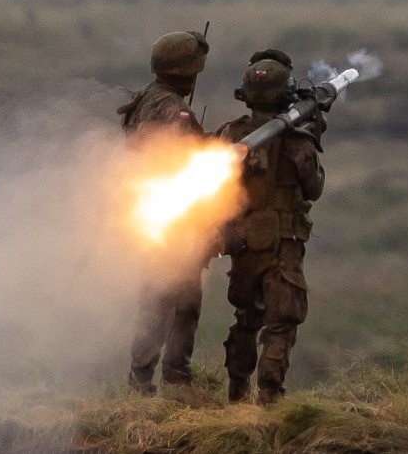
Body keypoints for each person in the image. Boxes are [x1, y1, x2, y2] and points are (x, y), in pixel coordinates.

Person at [215, 49, 325, 404]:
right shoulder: (295, 139)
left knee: (247, 317)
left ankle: (236, 391)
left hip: (244, 241)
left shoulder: (229, 135)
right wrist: (313, 133)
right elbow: (314, 188)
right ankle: (270, 396)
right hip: (282, 244)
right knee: (281, 322)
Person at [116, 29, 210, 395]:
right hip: (175, 217)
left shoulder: (145, 100)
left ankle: (140, 381)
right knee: (182, 303)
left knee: (154, 300)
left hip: (150, 211)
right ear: (186, 71)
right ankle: (176, 380)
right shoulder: (176, 111)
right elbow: (190, 159)